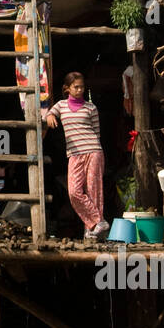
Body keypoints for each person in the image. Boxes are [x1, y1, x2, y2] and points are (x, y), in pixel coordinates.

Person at [45, 71, 108, 239]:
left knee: (94, 190)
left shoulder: (91, 108)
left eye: (82, 87)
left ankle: (91, 230)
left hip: (93, 151)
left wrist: (94, 150)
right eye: (76, 87)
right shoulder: (61, 105)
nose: (80, 90)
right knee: (74, 191)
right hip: (74, 154)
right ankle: (98, 220)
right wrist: (50, 116)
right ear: (68, 89)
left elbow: (97, 133)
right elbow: (48, 113)